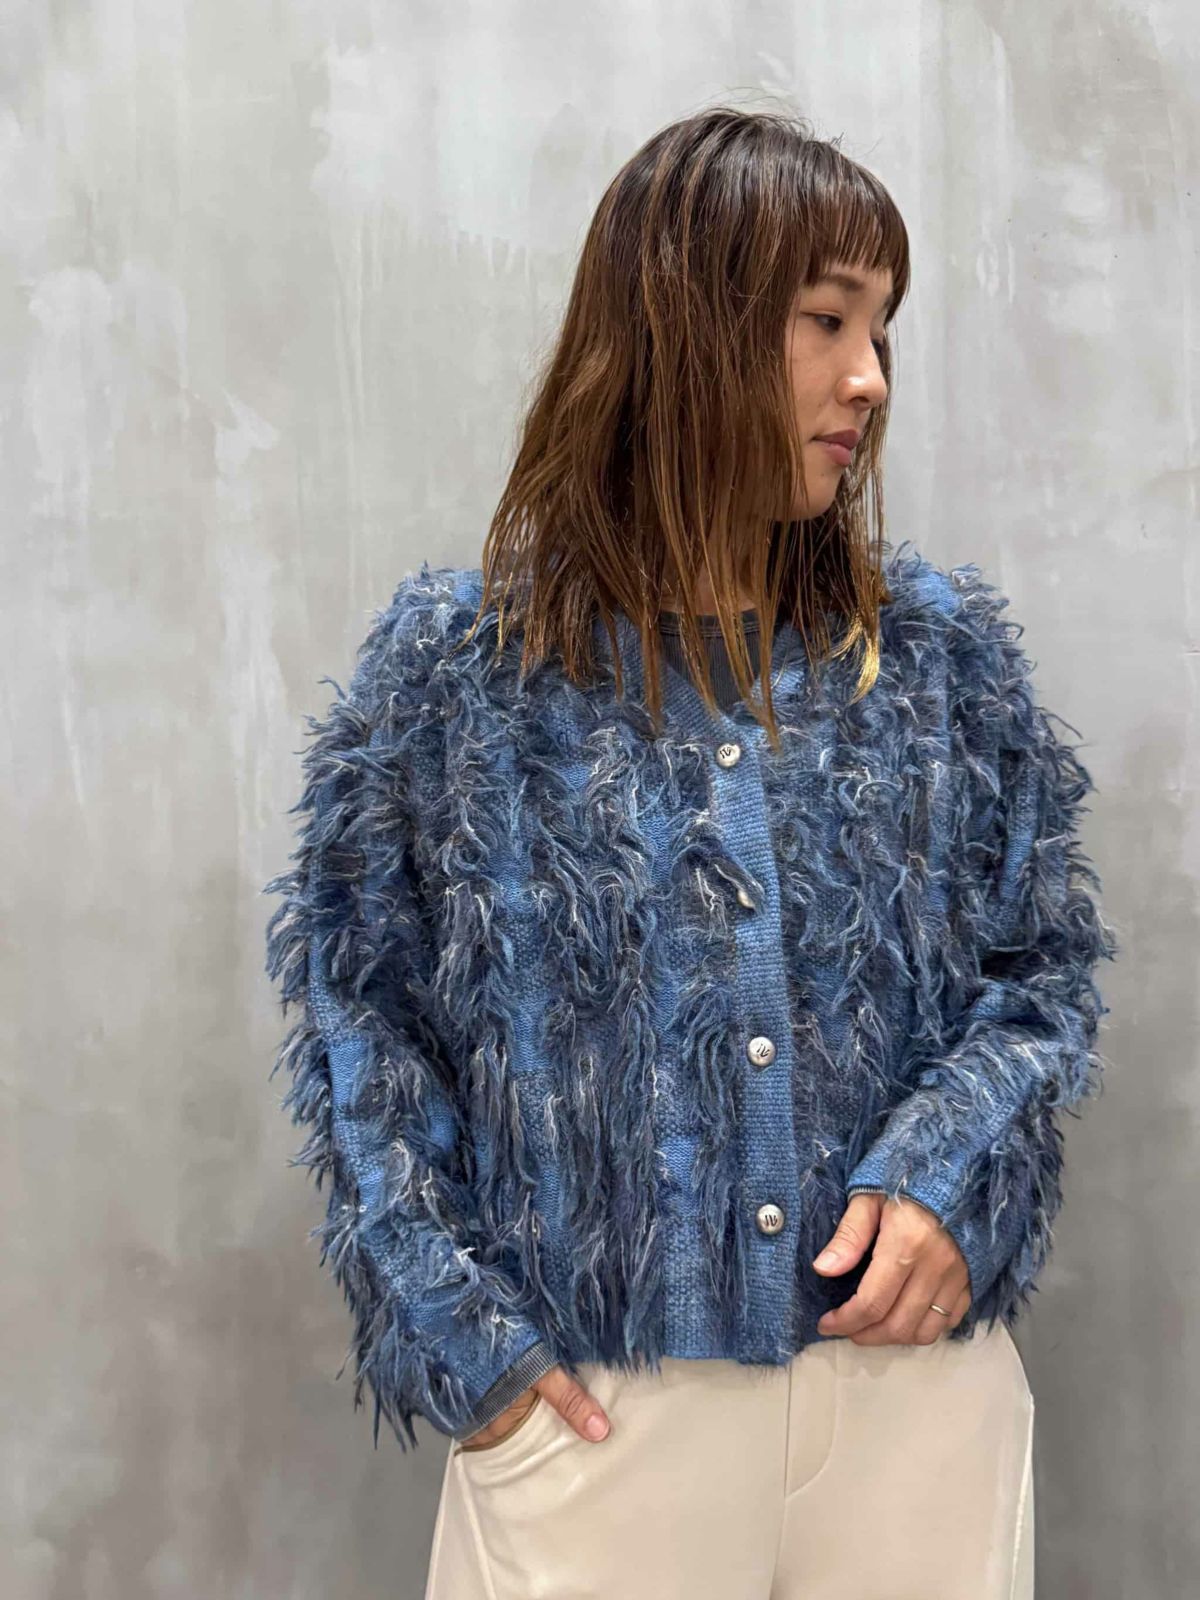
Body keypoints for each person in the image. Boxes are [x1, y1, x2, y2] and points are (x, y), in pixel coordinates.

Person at [263, 106, 1118, 1599]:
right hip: (602, 1421)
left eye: (881, 329)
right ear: (686, 326)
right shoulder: (456, 681)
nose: (871, 376)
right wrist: (466, 1342)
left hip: (916, 1405)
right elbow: (362, 1034)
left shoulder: (939, 662)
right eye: (826, 320)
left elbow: (1041, 976)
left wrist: (944, 1178)